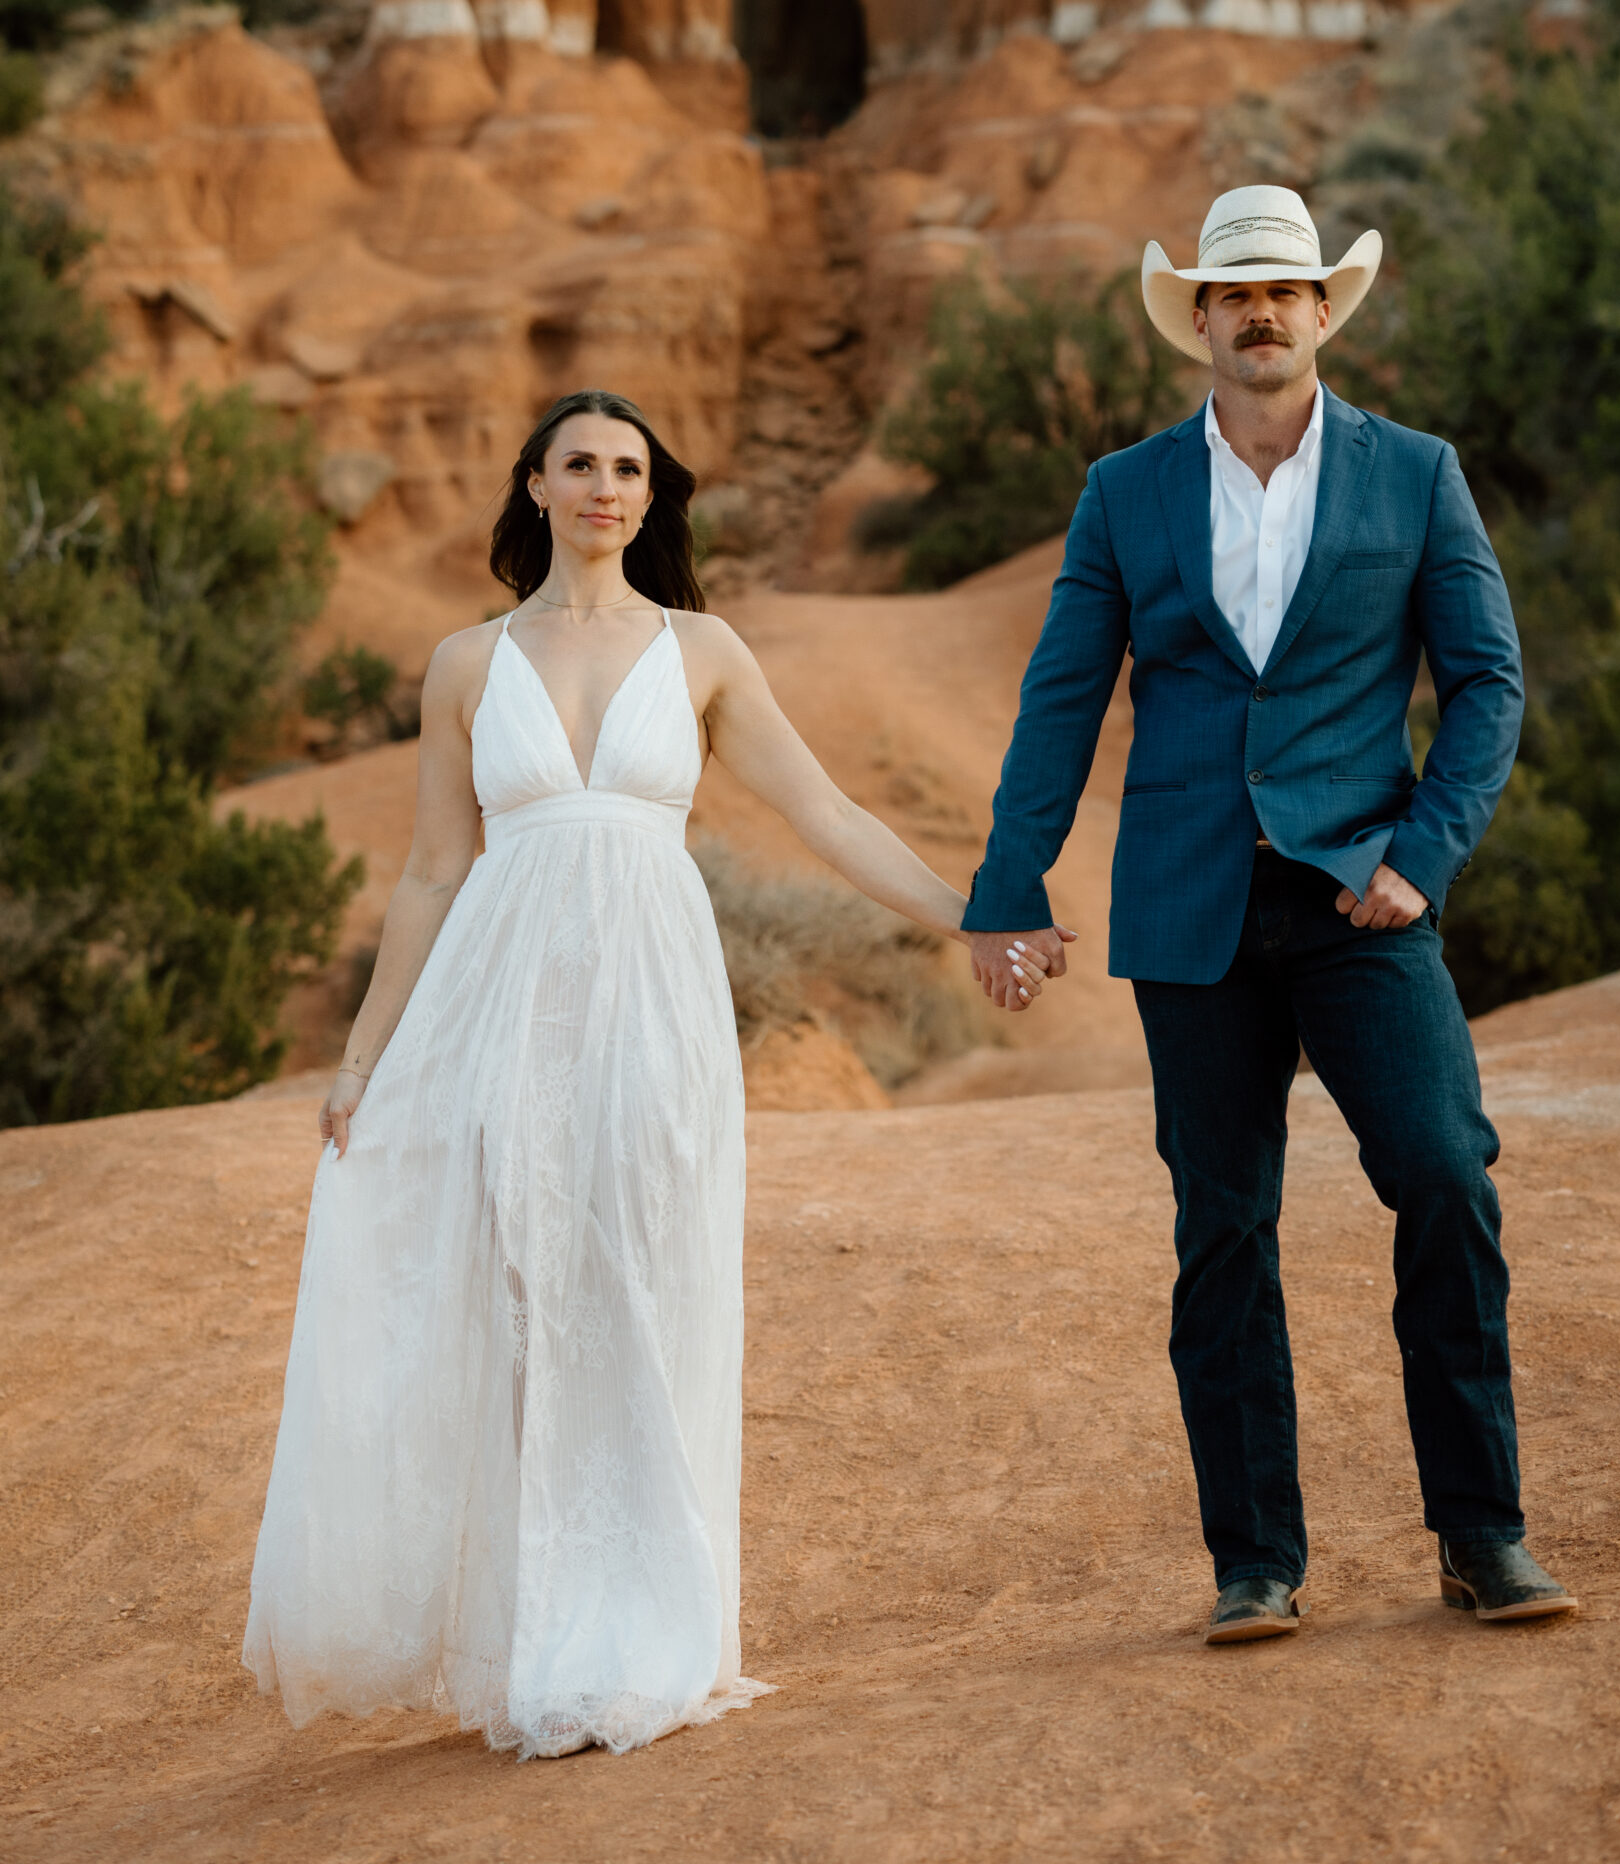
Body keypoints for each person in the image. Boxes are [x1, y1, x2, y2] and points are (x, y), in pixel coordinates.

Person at [244, 389, 1038, 1757]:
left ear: (651, 497)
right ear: (536, 487)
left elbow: (827, 813)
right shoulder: (463, 665)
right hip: (503, 1001)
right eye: (581, 465)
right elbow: (435, 870)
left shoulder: (706, 650)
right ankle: (540, 1640)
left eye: (630, 468)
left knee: (645, 1275)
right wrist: (361, 1061)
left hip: (655, 1005)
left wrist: (973, 910)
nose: (607, 487)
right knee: (522, 1292)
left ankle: (648, 1634)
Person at [961, 186, 1577, 1644]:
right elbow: (1064, 697)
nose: (1261, 312)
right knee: (1222, 1228)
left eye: (1288, 290)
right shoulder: (1126, 492)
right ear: (1198, 320)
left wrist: (1426, 848)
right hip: (1190, 908)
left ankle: (1483, 1536)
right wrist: (1010, 883)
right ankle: (1256, 1563)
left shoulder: (1415, 473)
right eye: (1233, 293)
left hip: (1365, 898)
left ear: (1322, 310)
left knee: (1442, 1177)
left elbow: (1488, 681)